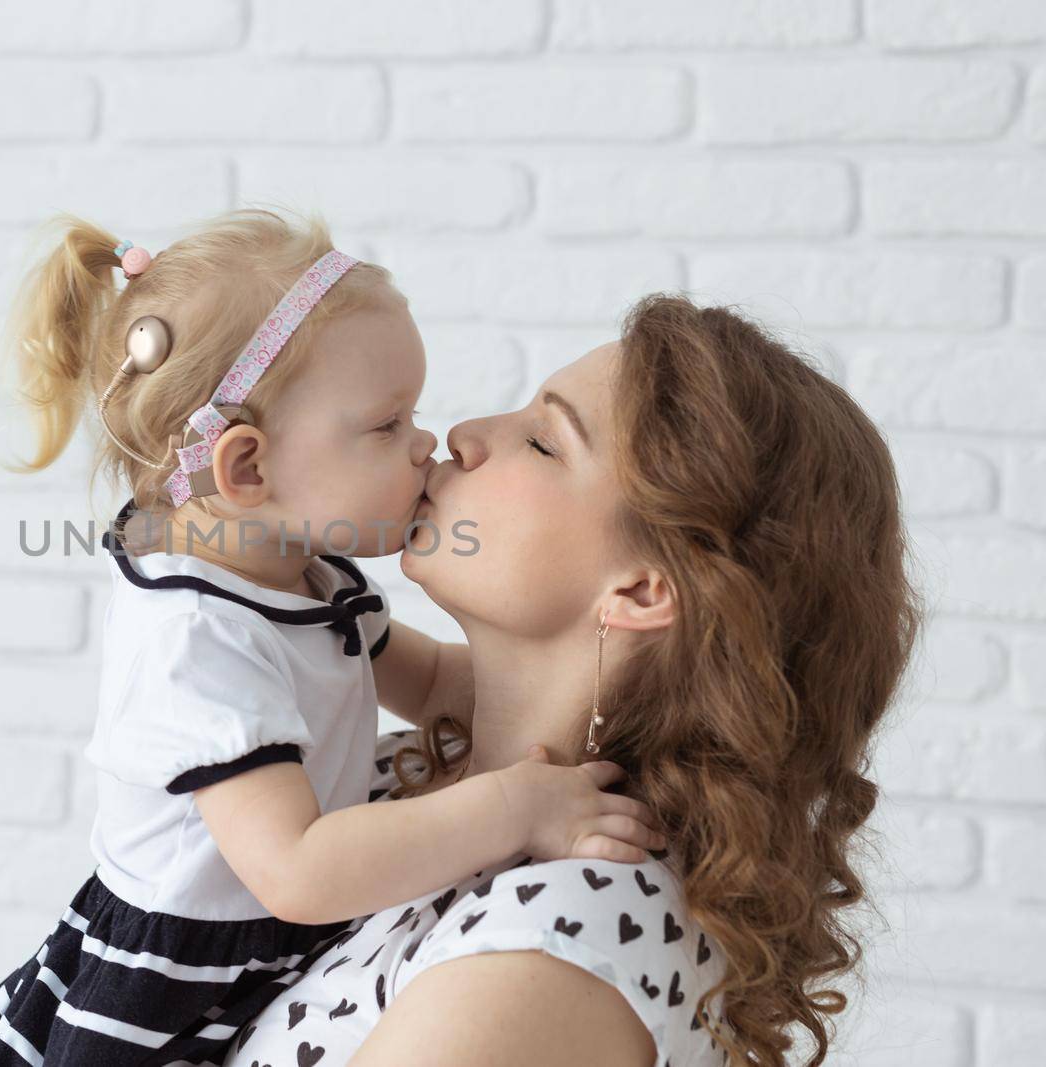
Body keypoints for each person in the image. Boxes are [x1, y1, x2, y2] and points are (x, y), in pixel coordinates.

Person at [0, 209, 664, 1067]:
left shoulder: (309, 578)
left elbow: (433, 682)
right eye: (387, 426)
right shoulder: (198, 639)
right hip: (165, 993)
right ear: (246, 468)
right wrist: (519, 805)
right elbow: (301, 869)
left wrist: (596, 683)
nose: (433, 442)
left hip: (250, 956)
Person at [223, 294, 922, 1067]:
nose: (463, 436)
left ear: (644, 590)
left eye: (544, 441)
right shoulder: (397, 779)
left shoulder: (564, 937)